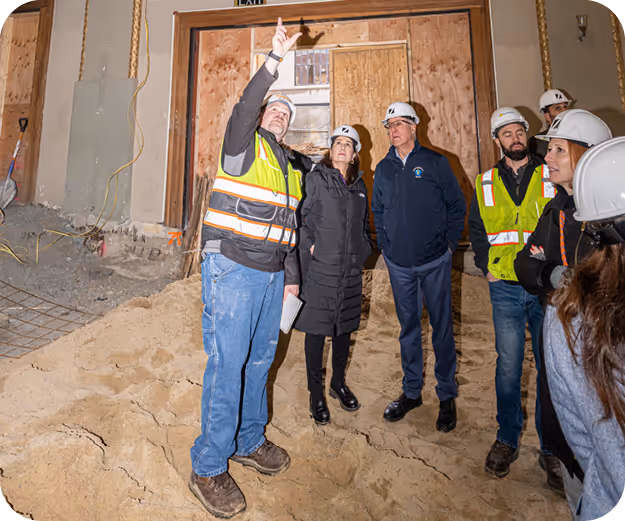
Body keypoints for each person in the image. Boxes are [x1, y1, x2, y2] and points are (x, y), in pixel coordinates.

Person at [188, 19, 302, 519]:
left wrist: (290, 275)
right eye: (272, 109)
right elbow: (241, 109)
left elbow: (289, 229)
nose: (277, 115)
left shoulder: (289, 168)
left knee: (259, 365)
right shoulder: (242, 145)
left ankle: (248, 440)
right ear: (262, 115)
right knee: (227, 365)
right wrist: (272, 62)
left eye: (284, 113)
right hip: (232, 270)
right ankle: (208, 465)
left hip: (272, 276)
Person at [515, 109, 612, 498]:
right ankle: (557, 456)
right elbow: (526, 262)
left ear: (587, 155)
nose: (547, 158)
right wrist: (554, 276)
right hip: (558, 340)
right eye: (548, 149)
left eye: (557, 149)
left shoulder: (610, 219)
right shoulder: (555, 209)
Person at [469, 107, 556, 480]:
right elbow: (476, 227)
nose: (514, 138)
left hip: (546, 286)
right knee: (508, 366)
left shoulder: (551, 174)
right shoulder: (484, 181)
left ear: (527, 134)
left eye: (519, 132)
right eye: (506, 134)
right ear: (497, 141)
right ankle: (507, 437)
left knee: (550, 366)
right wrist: (485, 264)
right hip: (503, 284)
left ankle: (551, 447)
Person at [372, 101, 466, 433]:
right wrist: (387, 245)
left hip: (435, 261)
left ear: (414, 127)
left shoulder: (436, 163)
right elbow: (379, 212)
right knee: (408, 329)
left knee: (441, 328)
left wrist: (449, 246)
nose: (393, 130)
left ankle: (446, 395)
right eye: (389, 125)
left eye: (399, 123)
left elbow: (457, 206)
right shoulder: (383, 169)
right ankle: (412, 392)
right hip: (399, 265)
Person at [545, 136, 625, 521]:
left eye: (560, 149)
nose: (549, 157)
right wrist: (546, 271)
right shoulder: (573, 318)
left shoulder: (568, 317)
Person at [295, 125, 372, 425]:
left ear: (354, 155)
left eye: (348, 144)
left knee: (343, 329)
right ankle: (316, 394)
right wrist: (312, 247)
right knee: (316, 331)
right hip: (321, 270)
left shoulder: (361, 186)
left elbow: (364, 224)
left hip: (350, 271)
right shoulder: (316, 179)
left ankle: (337, 383)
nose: (342, 147)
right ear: (331, 150)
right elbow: (300, 218)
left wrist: (363, 248)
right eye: (337, 143)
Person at [529, 89, 574, 160]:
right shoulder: (536, 143)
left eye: (565, 107)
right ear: (547, 116)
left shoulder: (579, 136)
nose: (565, 111)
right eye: (558, 108)